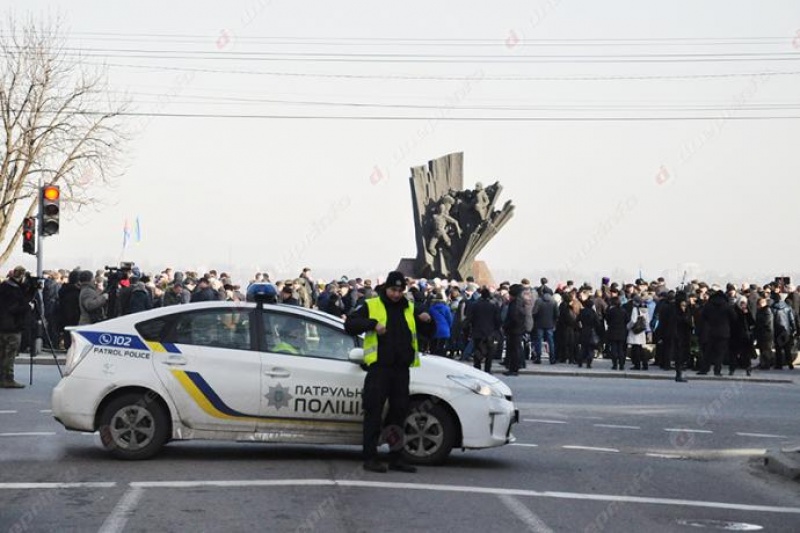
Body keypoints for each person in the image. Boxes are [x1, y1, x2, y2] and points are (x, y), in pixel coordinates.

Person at [344, 271, 435, 474]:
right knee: (373, 413)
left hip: (401, 370)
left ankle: (396, 457)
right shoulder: (372, 305)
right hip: (379, 369)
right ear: (386, 288)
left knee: (398, 414)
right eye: (393, 290)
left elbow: (428, 333)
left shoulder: (410, 308)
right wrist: (372, 324)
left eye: (400, 290)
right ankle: (370, 457)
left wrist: (427, 321)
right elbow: (349, 324)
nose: (396, 294)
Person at [0, 266, 32, 388]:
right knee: (10, 354)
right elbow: (15, 307)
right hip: (12, 326)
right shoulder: (14, 290)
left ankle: (1, 377)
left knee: (2, 353)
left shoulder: (4, 286)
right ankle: (8, 378)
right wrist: (28, 307)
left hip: (2, 325)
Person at [465, 287, 502, 373]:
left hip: (477, 332)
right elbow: (498, 320)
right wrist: (496, 329)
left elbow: (469, 318)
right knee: (489, 353)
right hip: (490, 333)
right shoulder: (493, 306)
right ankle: (487, 370)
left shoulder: (474, 305)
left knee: (477, 352)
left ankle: (477, 370)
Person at [502, 284, 526, 376]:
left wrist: (506, 326)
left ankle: (514, 369)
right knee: (515, 349)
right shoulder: (519, 302)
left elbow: (513, 318)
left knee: (514, 349)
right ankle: (515, 367)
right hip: (517, 329)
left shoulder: (515, 303)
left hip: (514, 330)